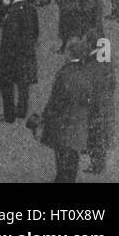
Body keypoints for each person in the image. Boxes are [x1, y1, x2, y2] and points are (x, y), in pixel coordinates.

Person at [35, 38, 94, 183]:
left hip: (63, 125)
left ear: (69, 53)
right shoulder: (86, 73)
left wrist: (44, 118)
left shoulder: (64, 74)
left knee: (62, 160)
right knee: (73, 160)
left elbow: (55, 101)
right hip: (79, 125)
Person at [0, 0, 38, 123]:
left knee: (5, 83)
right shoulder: (32, 9)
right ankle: (22, 110)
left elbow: (8, 36)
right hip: (28, 52)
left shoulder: (12, 13)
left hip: (11, 55)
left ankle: (9, 114)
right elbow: (36, 32)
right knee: (24, 83)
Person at [82, 34, 114, 174]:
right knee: (99, 134)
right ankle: (97, 161)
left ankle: (97, 165)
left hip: (95, 105)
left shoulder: (92, 63)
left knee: (95, 134)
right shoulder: (105, 61)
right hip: (104, 104)